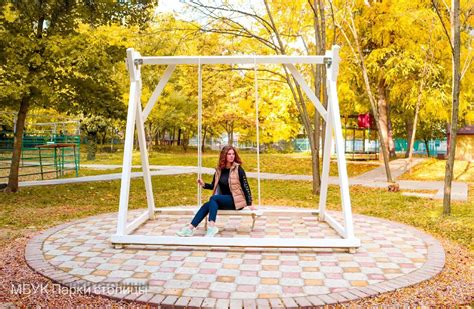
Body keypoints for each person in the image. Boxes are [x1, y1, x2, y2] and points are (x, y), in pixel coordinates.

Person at [176, 145, 255, 237]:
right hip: (223, 200)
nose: (231, 156)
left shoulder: (238, 169)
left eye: (233, 154)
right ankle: (190, 229)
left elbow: (246, 186)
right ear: (224, 155)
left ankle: (211, 226)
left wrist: (250, 203)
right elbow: (214, 185)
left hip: (236, 201)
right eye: (229, 154)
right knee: (207, 205)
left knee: (213, 198)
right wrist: (204, 184)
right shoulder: (219, 170)